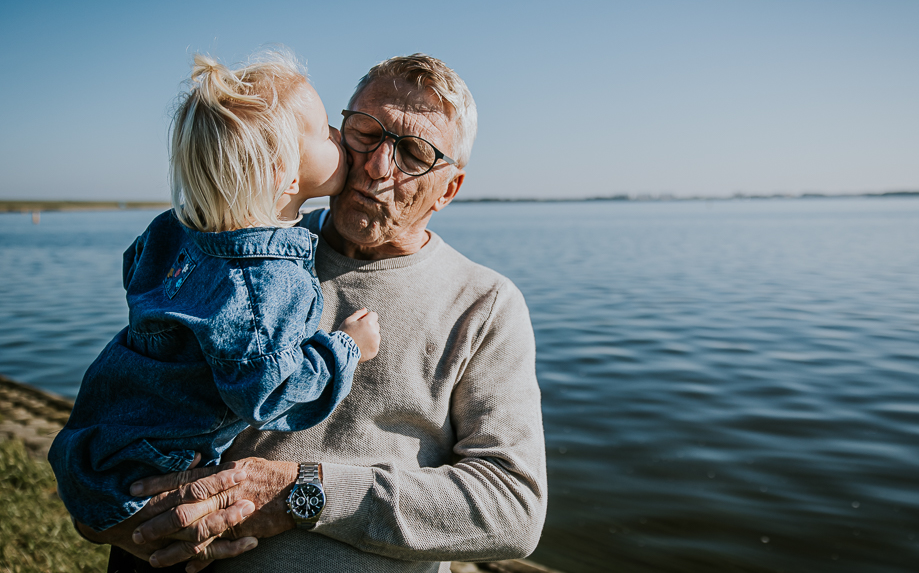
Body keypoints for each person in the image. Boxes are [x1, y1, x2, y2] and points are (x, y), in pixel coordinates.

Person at [82, 54, 547, 573]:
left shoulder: (484, 305)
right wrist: (114, 516)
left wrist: (303, 492)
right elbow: (129, 403)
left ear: (449, 189)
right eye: (365, 132)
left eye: (415, 153)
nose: (377, 166)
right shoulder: (228, 249)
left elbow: (513, 509)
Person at [50, 51, 380, 536]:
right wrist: (346, 348)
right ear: (284, 173)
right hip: (154, 469)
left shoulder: (176, 229)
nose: (338, 137)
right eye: (326, 129)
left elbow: (136, 269)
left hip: (100, 439)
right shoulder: (264, 280)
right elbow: (273, 394)